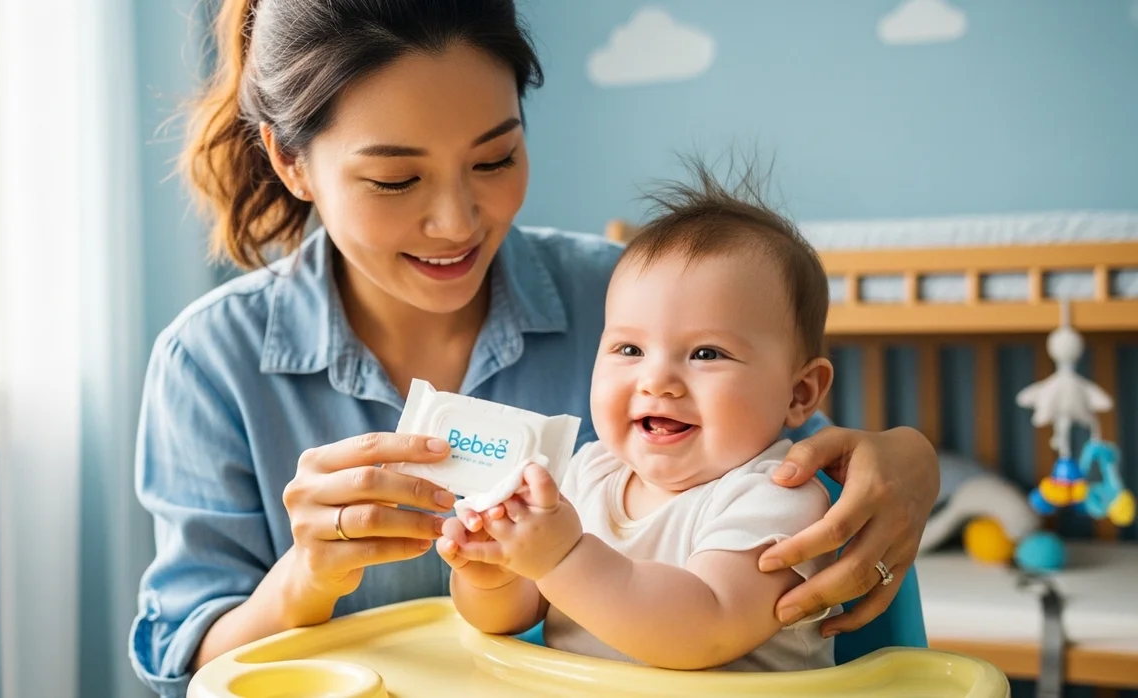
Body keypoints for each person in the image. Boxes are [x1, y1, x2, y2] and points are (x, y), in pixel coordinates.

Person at [128, 1, 940, 695]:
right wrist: (315, 578)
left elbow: (794, 460)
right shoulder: (211, 362)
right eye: (395, 180)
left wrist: (907, 459)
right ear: (290, 160)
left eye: (496, 158)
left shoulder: (636, 300)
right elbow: (185, 669)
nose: (457, 222)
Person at [442, 164, 842, 671]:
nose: (657, 381)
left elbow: (704, 630)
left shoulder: (778, 498)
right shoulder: (588, 472)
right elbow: (516, 615)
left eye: (706, 354)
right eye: (630, 349)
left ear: (799, 393)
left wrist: (562, 558)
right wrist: (494, 574)